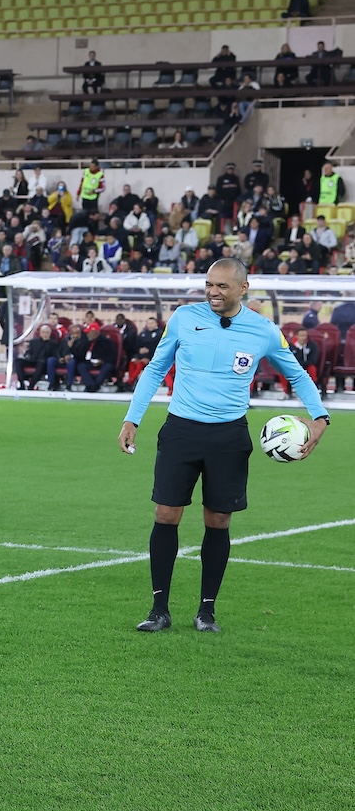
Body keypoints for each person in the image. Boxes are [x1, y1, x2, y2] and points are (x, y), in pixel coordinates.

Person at [120, 259, 329, 633]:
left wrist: (320, 417)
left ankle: (206, 612)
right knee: (165, 514)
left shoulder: (264, 330)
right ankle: (158, 610)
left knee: (218, 520)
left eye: (222, 286)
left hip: (229, 437)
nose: (213, 292)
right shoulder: (184, 318)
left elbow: (297, 374)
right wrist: (132, 419)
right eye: (209, 284)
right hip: (181, 431)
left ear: (243, 288)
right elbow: (155, 368)